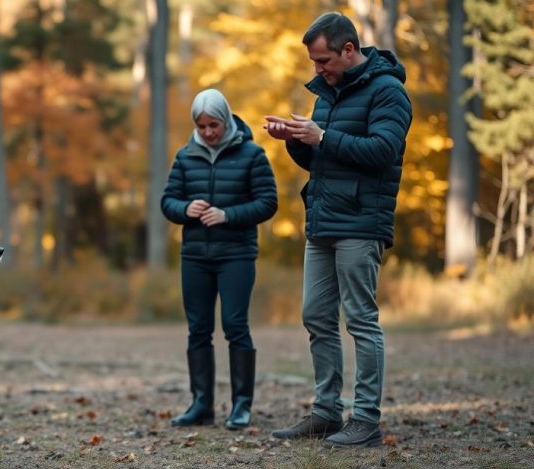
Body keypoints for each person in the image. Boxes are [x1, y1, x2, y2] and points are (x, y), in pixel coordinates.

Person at [265, 12, 412, 446]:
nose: (318, 69)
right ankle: (327, 413)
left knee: (361, 321)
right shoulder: (326, 93)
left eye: (324, 59)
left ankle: (365, 419)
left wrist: (323, 136)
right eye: (313, 61)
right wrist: (295, 140)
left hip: (362, 222)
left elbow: (382, 151)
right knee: (315, 316)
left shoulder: (389, 91)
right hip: (323, 219)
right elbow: (320, 161)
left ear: (350, 50)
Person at [161, 88, 278, 430]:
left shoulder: (252, 155)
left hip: (236, 254)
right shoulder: (185, 156)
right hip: (195, 255)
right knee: (198, 329)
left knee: (235, 326)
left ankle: (241, 404)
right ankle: (201, 404)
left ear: (226, 120)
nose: (209, 132)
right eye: (202, 126)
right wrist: (185, 209)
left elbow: (268, 203)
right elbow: (168, 202)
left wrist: (227, 215)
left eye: (214, 124)